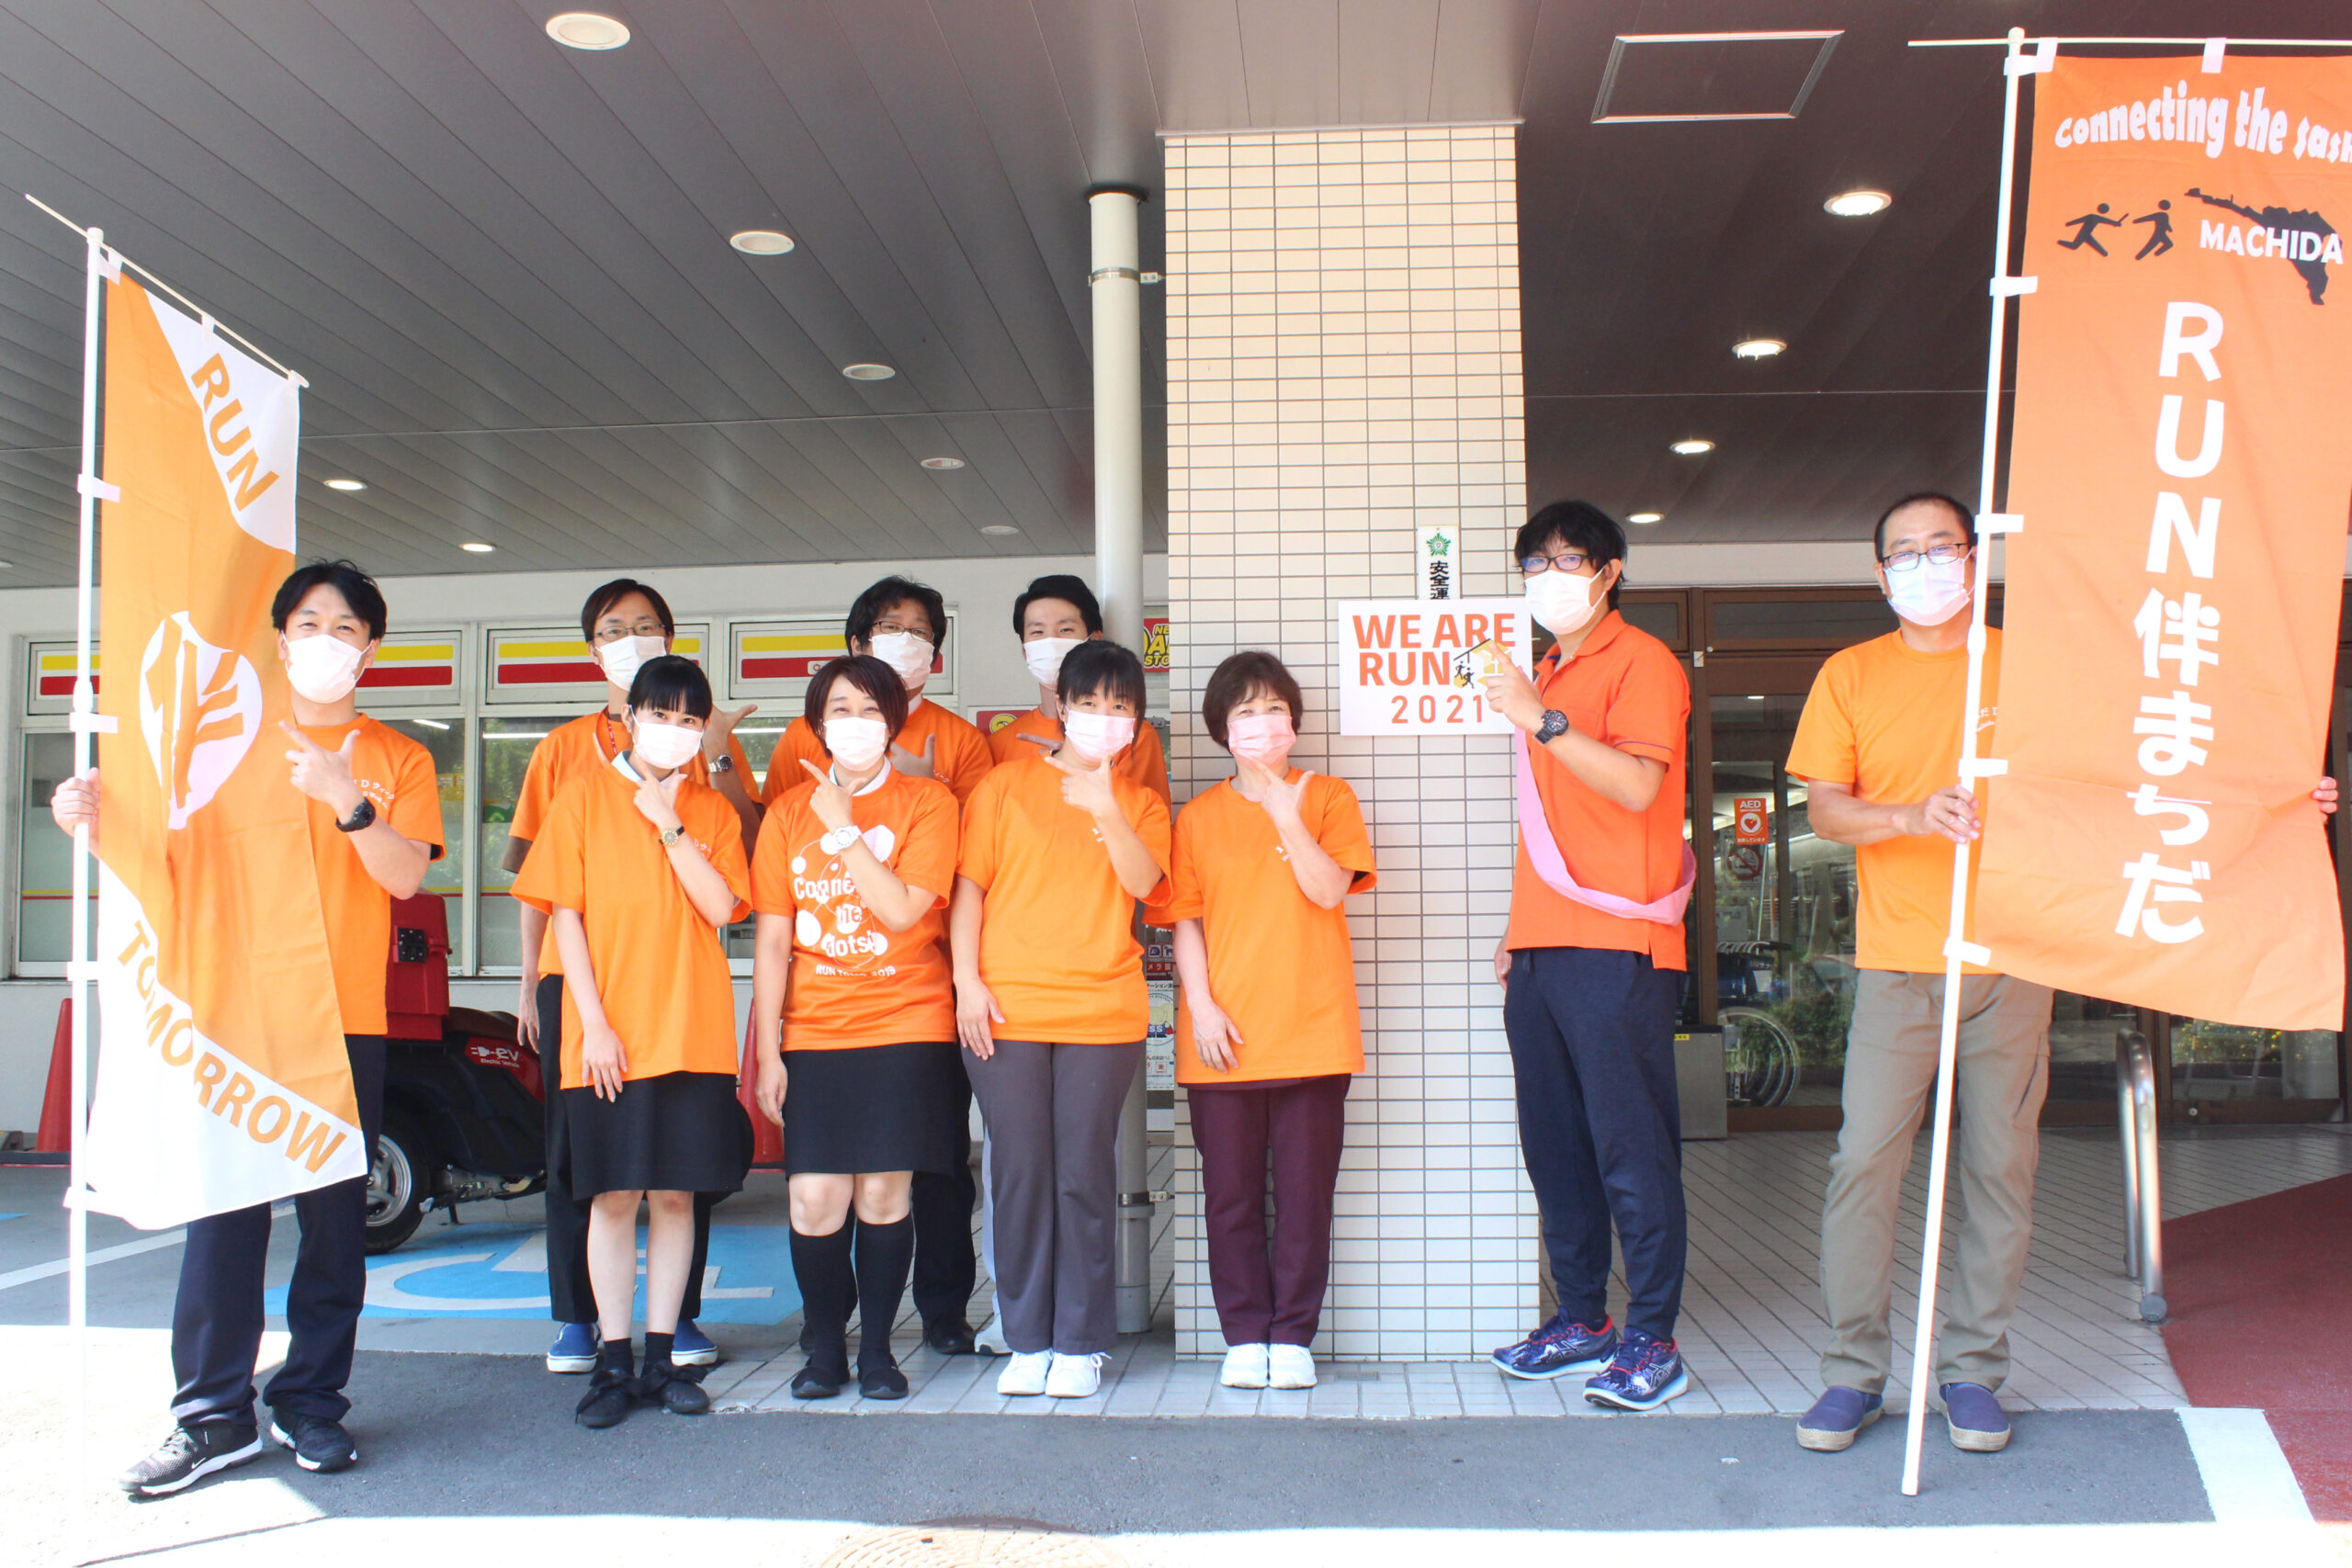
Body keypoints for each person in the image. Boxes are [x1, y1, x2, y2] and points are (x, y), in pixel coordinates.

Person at [55, 560, 444, 1495]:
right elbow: (166, 863)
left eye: (345, 627)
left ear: (370, 650)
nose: (325, 640)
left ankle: (310, 1400)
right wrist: (90, 825)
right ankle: (212, 1414)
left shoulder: (397, 757)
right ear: (278, 639)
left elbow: (404, 876)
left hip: (342, 1017)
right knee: (224, 1217)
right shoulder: (224, 743)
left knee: (335, 1225)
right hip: (237, 1014)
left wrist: (344, 798)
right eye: (308, 622)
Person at [504, 579, 756, 1375]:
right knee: (607, 1191)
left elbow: (723, 907)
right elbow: (563, 913)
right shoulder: (578, 791)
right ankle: (606, 1349)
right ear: (630, 715)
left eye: (689, 720)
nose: (674, 730)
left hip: (690, 1028)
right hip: (602, 1021)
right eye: (660, 715)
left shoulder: (711, 808)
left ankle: (663, 1348)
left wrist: (670, 821)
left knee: (678, 1191)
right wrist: (590, 1021)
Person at [1481, 501, 1696, 1412]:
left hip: (1619, 944)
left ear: (1609, 571)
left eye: (1568, 560)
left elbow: (1640, 786)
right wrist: (1515, 928)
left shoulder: (1641, 661)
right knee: (1556, 1148)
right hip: (1542, 946)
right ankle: (1582, 1320)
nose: (1549, 577)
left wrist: (1542, 721)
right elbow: (1552, 821)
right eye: (1535, 564)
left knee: (1630, 1149)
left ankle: (1653, 1339)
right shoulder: (1545, 669)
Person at [755, 577, 992, 1355]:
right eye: (839, 710)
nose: (854, 724)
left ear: (894, 720)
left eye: (870, 711)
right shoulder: (790, 803)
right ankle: (825, 1340)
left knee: (903, 1186)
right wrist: (765, 1050)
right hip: (817, 1029)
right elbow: (773, 937)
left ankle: (906, 1335)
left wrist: (844, 827)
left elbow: (908, 907)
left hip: (910, 1016)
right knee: (817, 1195)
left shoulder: (933, 791)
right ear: (816, 724)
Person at [954, 640, 1170, 1399]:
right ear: (1062, 706)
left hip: (1101, 1011)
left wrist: (1105, 804)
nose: (1103, 716)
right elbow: (970, 891)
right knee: (1018, 1173)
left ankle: (1079, 1341)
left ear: (1136, 722)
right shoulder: (1004, 786)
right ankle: (1026, 1336)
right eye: (1090, 702)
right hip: (1005, 1007)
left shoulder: (1141, 802)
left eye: (1120, 706)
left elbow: (1145, 883)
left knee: (1083, 1172)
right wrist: (966, 983)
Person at [1162, 652, 1374, 1392]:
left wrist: (1286, 814)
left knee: (1306, 1197)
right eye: (1245, 711)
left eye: (1274, 708)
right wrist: (1201, 1006)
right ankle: (1244, 1334)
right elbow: (1184, 921)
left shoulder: (1329, 797)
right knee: (1231, 1198)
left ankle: (1293, 1337)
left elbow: (1329, 890)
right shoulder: (1197, 818)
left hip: (1313, 1030)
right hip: (1222, 1035)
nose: (1262, 722)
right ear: (1222, 728)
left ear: (1294, 721)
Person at [987, 574, 1170, 803]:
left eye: (1065, 630)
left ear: (1094, 640)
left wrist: (1083, 761)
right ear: (1025, 650)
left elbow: (1143, 815)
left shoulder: (1130, 734)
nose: (1051, 642)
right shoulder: (1000, 743)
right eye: (1038, 632)